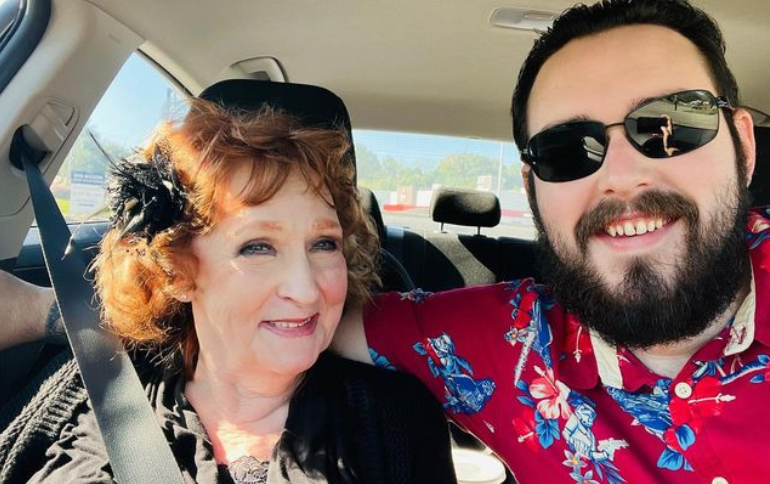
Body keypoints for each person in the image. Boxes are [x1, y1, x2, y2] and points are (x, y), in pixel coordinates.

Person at [4, 0, 770, 484]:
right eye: (568, 150)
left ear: (741, 142)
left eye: (669, 125)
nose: (623, 175)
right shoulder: (501, 342)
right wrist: (59, 314)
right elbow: (296, 320)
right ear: (533, 183)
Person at [0, 99, 456, 483]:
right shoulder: (96, 397)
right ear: (177, 271)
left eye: (324, 244)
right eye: (258, 247)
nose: (305, 290)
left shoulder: (398, 421)